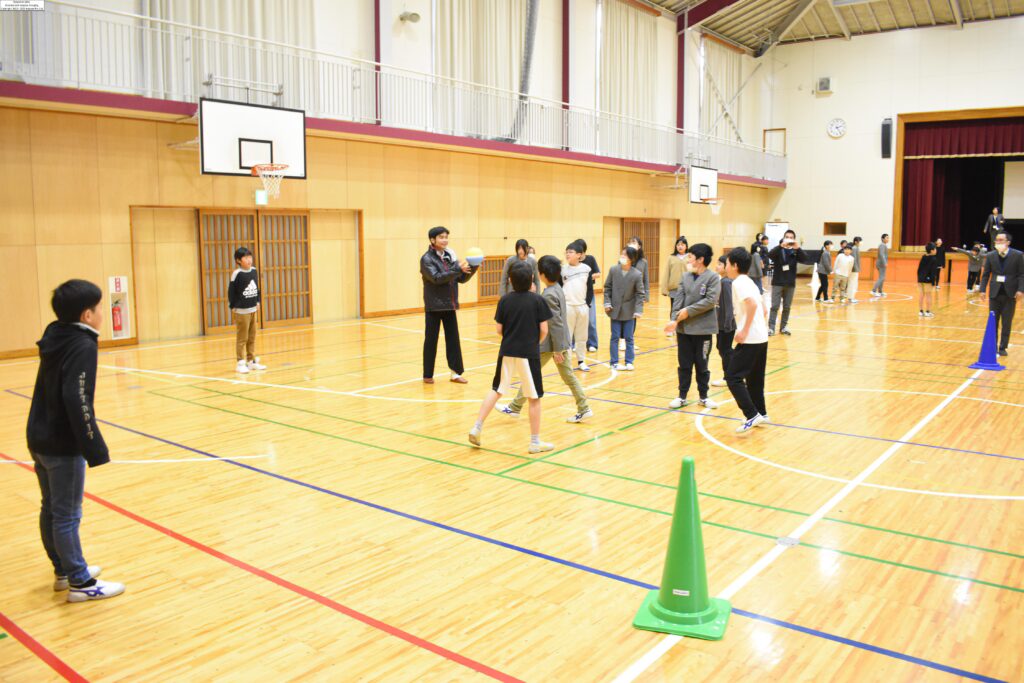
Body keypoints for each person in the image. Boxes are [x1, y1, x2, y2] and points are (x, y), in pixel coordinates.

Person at [27, 279, 126, 602]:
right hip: (61, 442)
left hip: (38, 435)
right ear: (87, 315)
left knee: (51, 509)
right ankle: (80, 583)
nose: (101, 313)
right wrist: (93, 446)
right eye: (98, 308)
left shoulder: (55, 334)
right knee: (67, 514)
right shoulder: (82, 345)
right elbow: (77, 396)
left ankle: (64, 569)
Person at [498, 255, 593, 423]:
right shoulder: (556, 288)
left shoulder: (548, 295)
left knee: (539, 375)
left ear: (542, 275)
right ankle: (515, 407)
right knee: (548, 375)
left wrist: (557, 349)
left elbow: (555, 323)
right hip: (557, 343)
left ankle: (584, 408)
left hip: (551, 345)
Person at [469, 261, 553, 452]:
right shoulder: (538, 300)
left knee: (497, 389)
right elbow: (544, 330)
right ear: (532, 279)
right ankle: (534, 442)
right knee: (534, 397)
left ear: (510, 280)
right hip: (528, 354)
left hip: (506, 351)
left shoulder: (505, 300)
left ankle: (477, 426)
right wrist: (533, 343)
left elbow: (499, 330)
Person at [665, 244, 720, 409]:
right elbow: (678, 300)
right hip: (684, 330)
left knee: (702, 365)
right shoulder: (685, 277)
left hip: (703, 330)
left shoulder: (713, 278)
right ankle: (682, 396)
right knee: (684, 364)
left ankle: (703, 396)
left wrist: (688, 311)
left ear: (701, 259)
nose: (688, 260)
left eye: (690, 257)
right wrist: (674, 319)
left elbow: (710, 301)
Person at [420, 226, 478, 384]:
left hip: (450, 305)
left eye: (446, 237)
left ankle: (456, 374)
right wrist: (457, 268)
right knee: (431, 340)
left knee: (453, 340)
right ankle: (427, 375)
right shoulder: (426, 259)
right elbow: (437, 278)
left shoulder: (449, 256)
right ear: (433, 240)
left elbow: (460, 279)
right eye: (441, 237)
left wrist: (473, 267)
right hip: (434, 306)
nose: (444, 240)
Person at [722, 249, 770, 434]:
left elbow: (752, 304)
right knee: (755, 378)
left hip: (750, 338)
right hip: (761, 337)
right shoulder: (750, 281)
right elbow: (764, 309)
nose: (726, 267)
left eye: (727, 263)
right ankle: (762, 413)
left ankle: (751, 415)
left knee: (733, 376)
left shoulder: (739, 283)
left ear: (734, 265)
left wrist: (744, 330)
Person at [979, 232, 1024, 356]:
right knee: (993, 321)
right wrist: (982, 290)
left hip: (1010, 294)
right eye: (997, 240)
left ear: (1008, 242)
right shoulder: (990, 255)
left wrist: (1021, 290)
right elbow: (986, 274)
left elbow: (1022, 274)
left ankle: (1003, 347)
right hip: (994, 293)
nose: (998, 242)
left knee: (1006, 322)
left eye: (1001, 240)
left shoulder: (1018, 255)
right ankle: (992, 346)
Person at [605, 246, 645, 371]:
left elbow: (640, 293)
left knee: (629, 337)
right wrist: (607, 303)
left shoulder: (637, 274)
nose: (622, 257)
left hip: (630, 311)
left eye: (625, 255)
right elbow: (607, 288)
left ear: (631, 259)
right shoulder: (613, 270)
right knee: (614, 337)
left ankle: (629, 361)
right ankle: (614, 362)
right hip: (614, 310)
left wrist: (638, 310)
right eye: (621, 254)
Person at [228, 247, 266, 374]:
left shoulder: (254, 271)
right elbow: (231, 292)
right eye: (245, 258)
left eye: (250, 257)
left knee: (252, 336)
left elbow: (257, 289)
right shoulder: (237, 274)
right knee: (242, 338)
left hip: (252, 310)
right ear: (238, 260)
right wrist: (233, 306)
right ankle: (240, 362)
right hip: (241, 311)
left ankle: (251, 361)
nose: (249, 260)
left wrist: (258, 301)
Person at [767, 229, 812, 335]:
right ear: (783, 238)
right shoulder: (778, 249)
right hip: (777, 282)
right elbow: (770, 255)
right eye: (787, 237)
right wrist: (781, 246)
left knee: (787, 307)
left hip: (790, 283)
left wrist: (798, 248)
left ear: (794, 239)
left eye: (791, 237)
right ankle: (771, 328)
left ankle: (783, 327)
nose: (789, 239)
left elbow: (805, 259)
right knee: (774, 306)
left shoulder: (796, 251)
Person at [562, 241, 592, 372]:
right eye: (566, 252)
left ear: (579, 255)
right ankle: (567, 363)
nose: (567, 254)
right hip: (568, 307)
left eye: (571, 252)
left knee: (582, 336)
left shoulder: (586, 269)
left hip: (582, 307)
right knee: (567, 336)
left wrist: (587, 304)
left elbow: (590, 288)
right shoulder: (562, 269)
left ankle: (581, 361)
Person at [622, 236, 648, 353]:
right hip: (624, 292)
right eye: (630, 242)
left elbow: (645, 279)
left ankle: (630, 341)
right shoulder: (624, 259)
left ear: (639, 246)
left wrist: (645, 295)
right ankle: (622, 341)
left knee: (634, 317)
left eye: (634, 242)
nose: (631, 244)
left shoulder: (643, 262)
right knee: (623, 316)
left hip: (637, 293)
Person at [711, 255, 735, 387]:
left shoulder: (726, 282)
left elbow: (729, 305)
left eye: (720, 264)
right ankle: (732, 375)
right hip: (721, 322)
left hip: (726, 324)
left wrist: (727, 323)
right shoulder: (723, 280)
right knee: (722, 348)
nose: (717, 266)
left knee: (725, 349)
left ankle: (729, 377)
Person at [577, 240, 601, 354]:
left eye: (579, 252)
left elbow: (598, 274)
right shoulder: (574, 261)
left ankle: (592, 343)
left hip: (589, 293)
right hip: (577, 294)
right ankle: (574, 343)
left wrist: (587, 276)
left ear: (583, 252)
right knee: (576, 320)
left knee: (591, 320)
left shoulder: (590, 259)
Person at [661, 237, 690, 337]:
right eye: (678, 244)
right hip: (674, 288)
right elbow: (666, 273)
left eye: (682, 244)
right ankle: (671, 328)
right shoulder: (671, 258)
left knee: (686, 308)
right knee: (674, 308)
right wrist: (664, 289)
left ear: (686, 246)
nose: (680, 246)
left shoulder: (690, 257)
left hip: (687, 288)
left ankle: (684, 328)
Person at [917, 242, 938, 317]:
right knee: (928, 295)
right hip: (928, 280)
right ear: (932, 250)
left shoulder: (923, 257)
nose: (936, 250)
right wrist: (933, 282)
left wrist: (919, 278)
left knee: (921, 295)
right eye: (935, 249)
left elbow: (919, 269)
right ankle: (928, 311)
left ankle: (920, 311)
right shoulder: (934, 259)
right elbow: (933, 272)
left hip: (920, 279)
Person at [848, 236, 863, 303]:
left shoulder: (856, 248)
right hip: (854, 269)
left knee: (854, 283)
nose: (861, 243)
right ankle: (851, 298)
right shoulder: (854, 248)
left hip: (855, 269)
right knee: (852, 283)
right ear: (856, 242)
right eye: (860, 241)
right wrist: (855, 269)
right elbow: (853, 260)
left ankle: (852, 297)